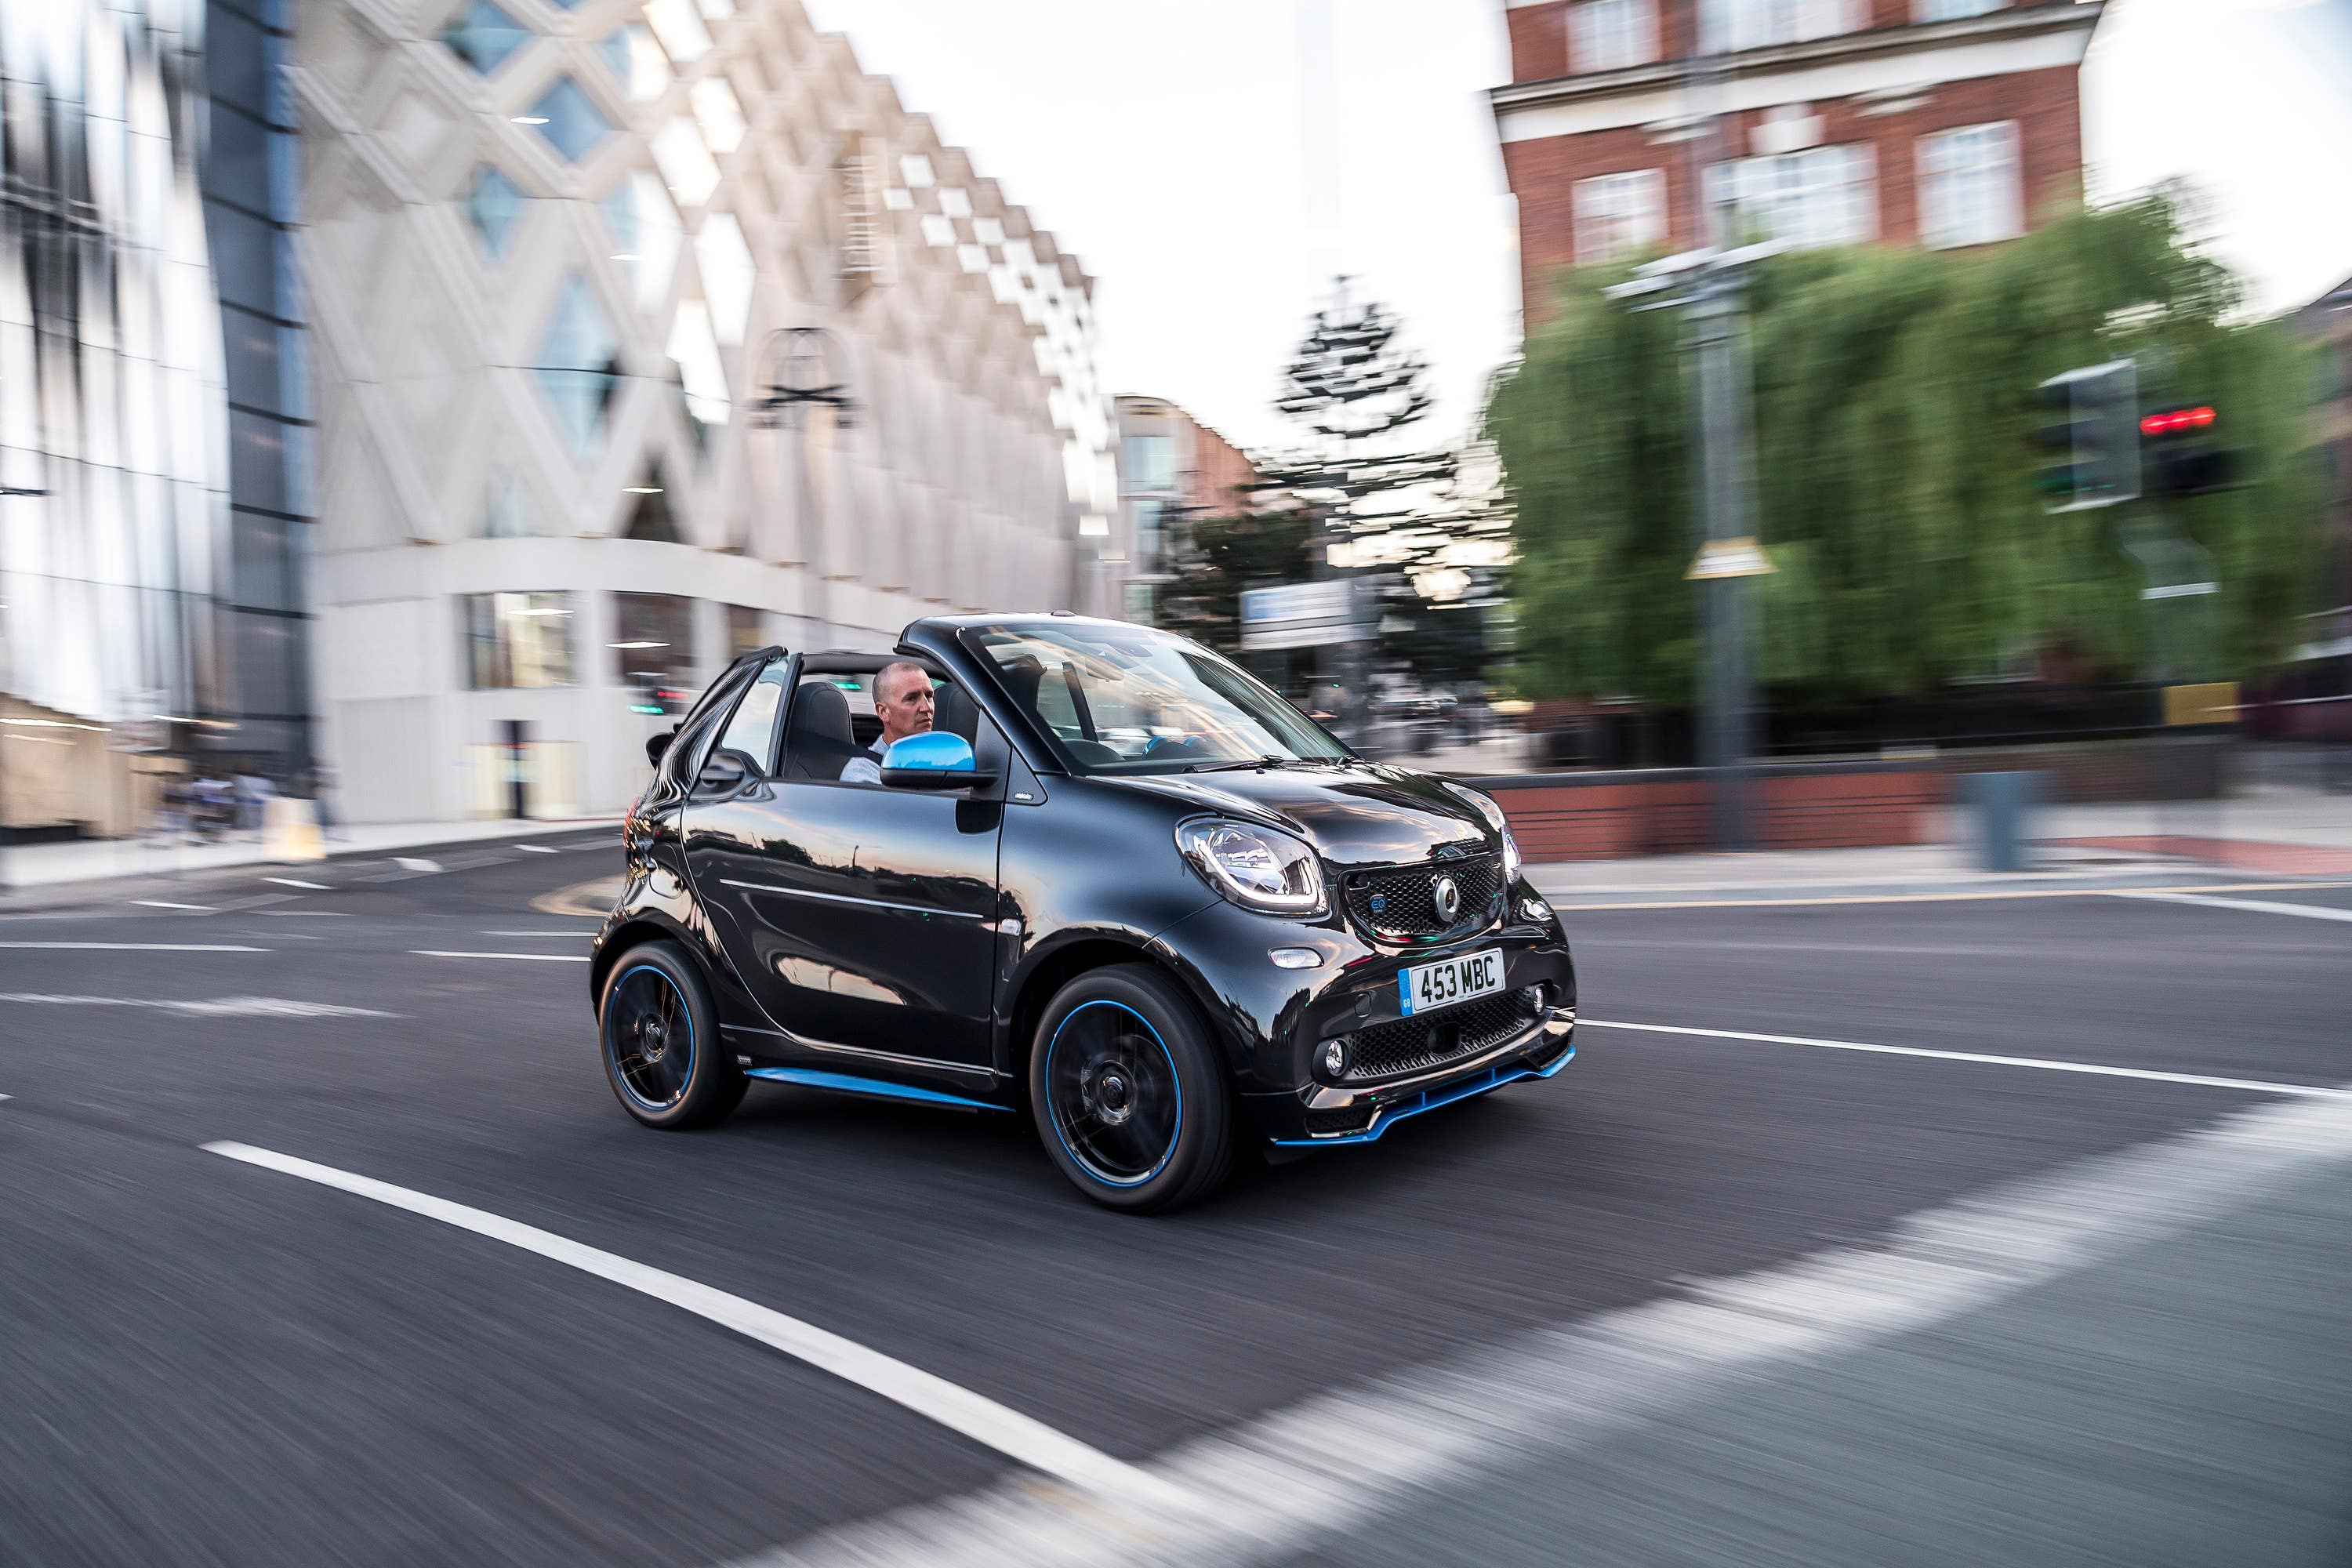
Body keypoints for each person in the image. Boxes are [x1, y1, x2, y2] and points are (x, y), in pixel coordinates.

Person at [840, 660, 935, 785]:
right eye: (911, 698)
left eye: (929, 696)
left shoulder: (948, 760)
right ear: (884, 712)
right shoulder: (862, 773)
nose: (927, 707)